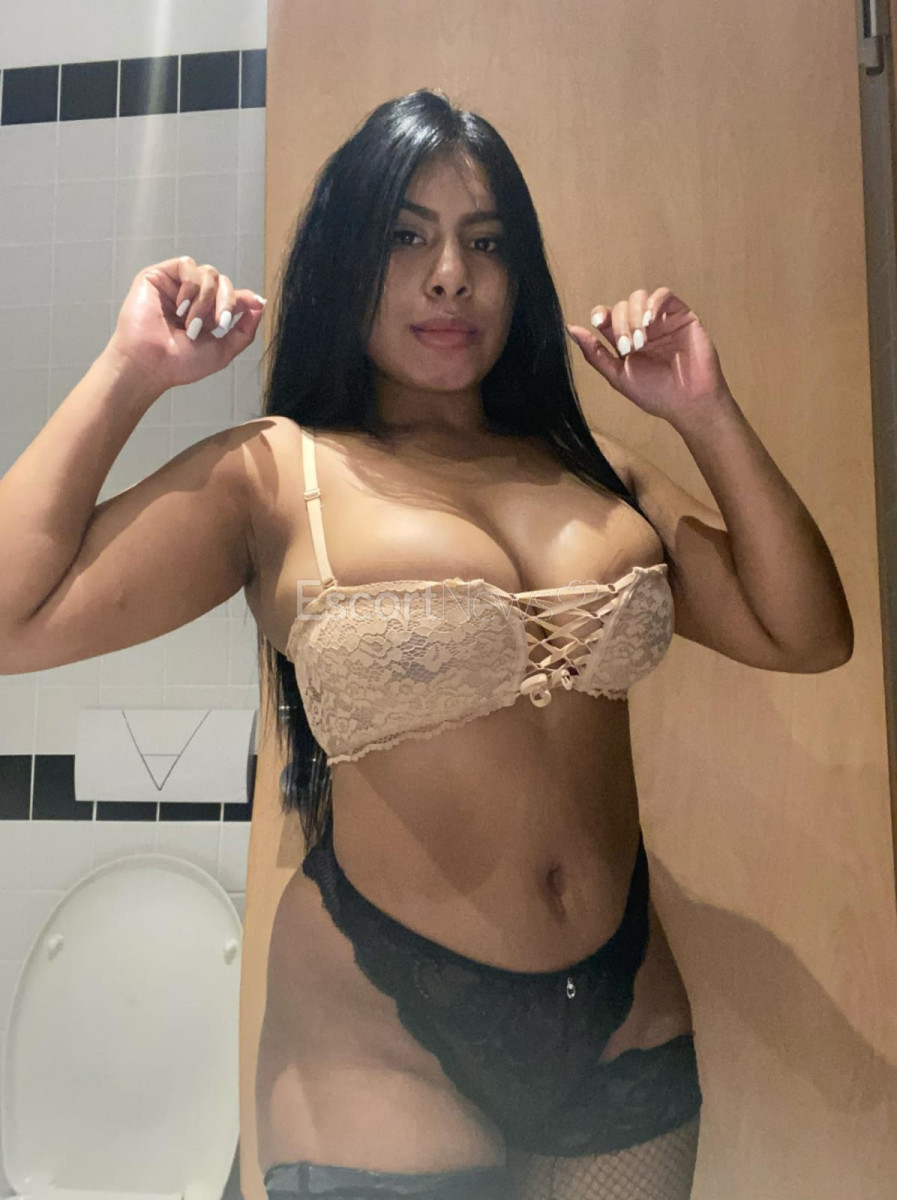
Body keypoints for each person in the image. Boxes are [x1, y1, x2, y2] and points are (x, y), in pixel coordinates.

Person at [0, 89, 852, 1200]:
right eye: (406, 236)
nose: (450, 275)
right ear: (345, 259)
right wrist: (131, 371)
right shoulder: (275, 474)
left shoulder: (591, 467)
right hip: (376, 1034)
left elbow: (806, 634)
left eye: (484, 243)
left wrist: (704, 411)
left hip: (625, 1018)